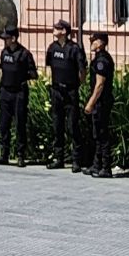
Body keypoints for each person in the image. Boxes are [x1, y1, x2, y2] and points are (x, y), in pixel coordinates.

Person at [44, 19, 86, 170]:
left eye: (57, 28)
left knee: (72, 126)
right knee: (57, 125)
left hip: (70, 91)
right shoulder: (52, 48)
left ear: (64, 31)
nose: (54, 29)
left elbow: (82, 71)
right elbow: (49, 67)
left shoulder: (74, 49)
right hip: (56, 90)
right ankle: (59, 157)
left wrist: (77, 85)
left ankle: (76, 160)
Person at [0, 27, 37, 166]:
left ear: (14, 38)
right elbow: (3, 70)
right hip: (6, 91)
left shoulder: (24, 54)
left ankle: (20, 155)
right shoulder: (4, 52)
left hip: (19, 92)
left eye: (7, 38)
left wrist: (22, 76)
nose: (5, 40)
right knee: (4, 125)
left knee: (20, 124)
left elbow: (34, 74)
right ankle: (4, 154)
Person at [83, 32, 115, 178]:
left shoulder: (102, 60)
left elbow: (100, 84)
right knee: (97, 134)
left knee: (102, 134)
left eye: (94, 40)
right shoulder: (98, 58)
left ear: (101, 43)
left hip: (101, 102)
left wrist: (90, 103)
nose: (91, 43)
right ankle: (96, 165)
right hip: (100, 102)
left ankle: (106, 167)